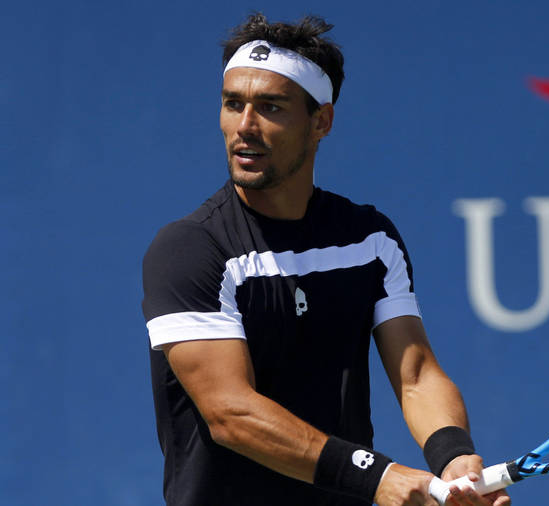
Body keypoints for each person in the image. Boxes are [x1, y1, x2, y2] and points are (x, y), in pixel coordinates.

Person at [141, 13, 510, 506]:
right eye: (233, 105)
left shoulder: (370, 239)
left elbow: (416, 373)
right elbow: (232, 413)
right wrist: (378, 476)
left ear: (321, 121)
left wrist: (454, 457)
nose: (244, 127)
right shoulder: (191, 249)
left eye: (270, 107)